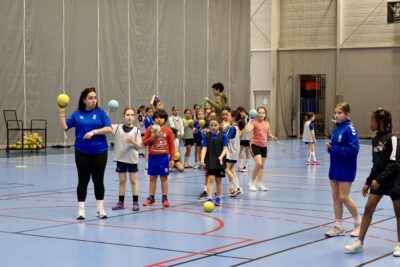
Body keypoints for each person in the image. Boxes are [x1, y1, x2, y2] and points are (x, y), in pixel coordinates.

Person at [345, 108, 400, 255]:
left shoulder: (393, 139)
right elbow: (376, 164)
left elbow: (394, 163)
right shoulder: (375, 140)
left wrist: (379, 180)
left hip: (395, 179)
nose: (370, 123)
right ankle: (359, 242)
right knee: (368, 208)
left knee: (398, 211)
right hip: (378, 180)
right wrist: (368, 182)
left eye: (372, 120)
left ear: (381, 122)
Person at [58, 87, 112, 220]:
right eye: (90, 98)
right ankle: (81, 210)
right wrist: (61, 111)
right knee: (83, 180)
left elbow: (109, 129)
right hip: (82, 151)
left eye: (95, 97)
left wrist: (94, 132)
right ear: (84, 100)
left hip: (100, 150)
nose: (94, 100)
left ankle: (100, 209)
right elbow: (65, 127)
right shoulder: (77, 114)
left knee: (98, 180)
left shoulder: (101, 113)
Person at [324, 102, 361, 237]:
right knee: (336, 197)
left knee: (344, 197)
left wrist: (334, 149)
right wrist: (330, 147)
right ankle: (338, 226)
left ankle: (358, 224)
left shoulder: (350, 129)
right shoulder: (336, 129)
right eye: (335, 112)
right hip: (335, 166)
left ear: (347, 114)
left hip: (346, 167)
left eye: (339, 113)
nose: (336, 115)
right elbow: (335, 147)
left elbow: (353, 150)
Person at [109, 107, 142, 212]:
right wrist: (108, 112)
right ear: (123, 116)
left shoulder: (137, 130)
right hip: (121, 159)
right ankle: (121, 203)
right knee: (122, 181)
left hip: (132, 160)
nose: (130, 117)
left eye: (132, 115)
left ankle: (135, 203)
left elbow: (139, 147)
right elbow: (105, 124)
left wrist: (133, 142)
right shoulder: (117, 127)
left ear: (134, 117)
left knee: (133, 181)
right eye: (127, 115)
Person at [142, 109, 175, 207]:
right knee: (152, 178)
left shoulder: (168, 131)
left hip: (163, 157)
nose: (159, 119)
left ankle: (164, 198)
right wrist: (152, 138)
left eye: (161, 118)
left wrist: (172, 159)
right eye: (156, 118)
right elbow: (144, 143)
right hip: (152, 157)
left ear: (165, 119)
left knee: (164, 178)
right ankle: (151, 197)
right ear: (153, 119)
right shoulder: (149, 129)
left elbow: (172, 146)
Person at [245, 107, 277, 192]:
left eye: (263, 113)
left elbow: (268, 133)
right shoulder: (254, 122)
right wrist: (250, 120)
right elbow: (247, 130)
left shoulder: (267, 123)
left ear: (265, 114)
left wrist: (272, 136)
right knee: (258, 164)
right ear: (256, 114)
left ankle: (260, 183)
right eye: (259, 112)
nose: (261, 114)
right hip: (255, 145)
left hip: (264, 146)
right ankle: (251, 182)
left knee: (262, 166)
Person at [200, 117, 228, 206]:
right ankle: (209, 197)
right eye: (211, 125)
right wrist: (202, 159)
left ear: (219, 125)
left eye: (215, 125)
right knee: (210, 179)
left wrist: (221, 157)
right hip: (210, 160)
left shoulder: (224, 136)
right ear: (209, 126)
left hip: (220, 161)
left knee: (218, 180)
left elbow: (225, 148)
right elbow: (204, 148)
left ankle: (218, 198)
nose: (213, 127)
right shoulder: (206, 136)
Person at [225, 110, 245, 197]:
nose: (227, 118)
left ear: (233, 118)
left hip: (230, 152)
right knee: (232, 169)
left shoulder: (233, 128)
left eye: (229, 116)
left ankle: (236, 188)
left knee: (226, 169)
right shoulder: (237, 128)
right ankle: (237, 188)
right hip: (235, 152)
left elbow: (227, 138)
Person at [237, 106, 251, 172]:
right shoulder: (240, 119)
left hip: (248, 138)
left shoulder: (249, 118)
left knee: (247, 152)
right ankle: (240, 166)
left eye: (240, 113)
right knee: (239, 151)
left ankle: (246, 167)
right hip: (242, 138)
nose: (240, 115)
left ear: (243, 111)